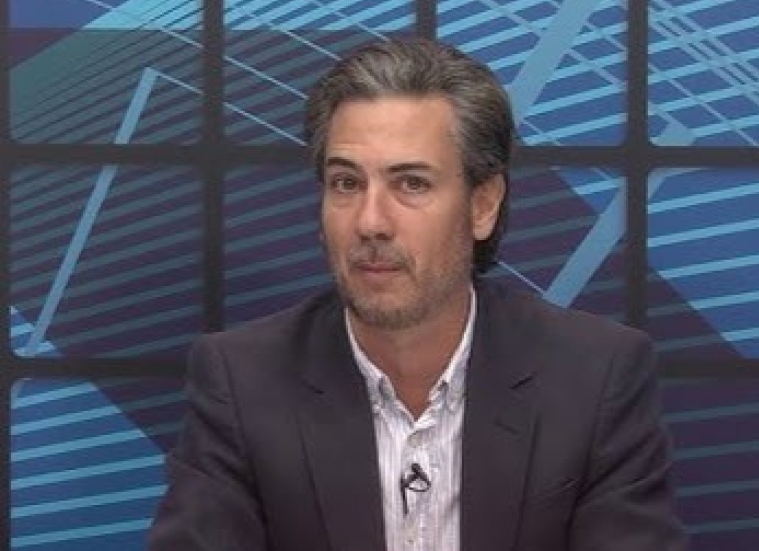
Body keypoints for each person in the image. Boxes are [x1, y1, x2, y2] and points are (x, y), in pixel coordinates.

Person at [147, 37, 688, 551]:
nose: (370, 222)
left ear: (483, 204)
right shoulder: (243, 381)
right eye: (346, 183)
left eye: (411, 184)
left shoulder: (594, 377)